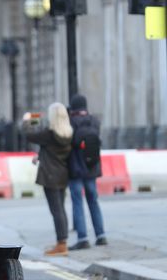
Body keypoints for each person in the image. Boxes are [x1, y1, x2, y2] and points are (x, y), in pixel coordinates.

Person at [22, 102, 73, 257]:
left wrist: (27, 120)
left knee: (56, 211)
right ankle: (62, 242)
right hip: (63, 174)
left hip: (50, 176)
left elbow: (29, 135)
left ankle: (62, 244)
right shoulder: (69, 133)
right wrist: (40, 156)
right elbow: (53, 152)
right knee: (61, 209)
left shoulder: (50, 134)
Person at [67, 94, 108, 250]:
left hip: (76, 169)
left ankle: (83, 238)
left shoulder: (71, 123)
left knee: (77, 202)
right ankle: (101, 235)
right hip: (92, 168)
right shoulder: (95, 122)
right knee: (93, 201)